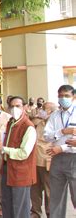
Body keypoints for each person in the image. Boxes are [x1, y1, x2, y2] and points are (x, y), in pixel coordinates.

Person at [0, 96, 37, 218]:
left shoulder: (28, 127)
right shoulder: (11, 123)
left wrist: (3, 149)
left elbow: (24, 153)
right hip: (8, 168)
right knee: (7, 203)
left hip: (21, 172)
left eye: (18, 106)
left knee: (20, 207)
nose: (14, 109)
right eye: (12, 106)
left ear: (25, 107)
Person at [43, 85, 76, 218]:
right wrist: (62, 131)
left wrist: (61, 147)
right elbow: (46, 136)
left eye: (67, 96)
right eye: (61, 96)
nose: (63, 98)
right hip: (57, 158)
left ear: (74, 97)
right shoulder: (55, 115)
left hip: (73, 158)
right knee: (56, 197)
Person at [30, 102, 57, 218]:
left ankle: (51, 213)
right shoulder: (38, 123)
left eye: (44, 109)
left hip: (48, 161)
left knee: (49, 191)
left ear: (50, 111)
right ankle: (35, 212)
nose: (41, 111)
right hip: (35, 161)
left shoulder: (55, 125)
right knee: (34, 189)